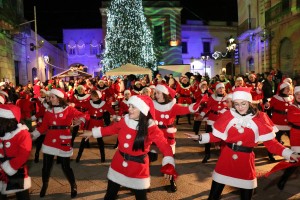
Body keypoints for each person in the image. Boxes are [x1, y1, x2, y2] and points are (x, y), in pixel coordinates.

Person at [185, 87, 300, 200]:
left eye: (243, 104)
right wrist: (200, 137)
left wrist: (289, 153)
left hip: (245, 162)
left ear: (249, 103)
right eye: (237, 104)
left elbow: (272, 144)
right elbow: (216, 136)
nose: (240, 107)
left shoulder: (260, 118)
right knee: (213, 196)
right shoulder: (228, 115)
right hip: (226, 159)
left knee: (246, 196)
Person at [80, 95, 177, 200]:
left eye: (133, 107)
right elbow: (111, 129)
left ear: (142, 110)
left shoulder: (151, 127)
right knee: (109, 196)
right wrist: (93, 132)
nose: (129, 109)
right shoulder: (125, 120)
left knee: (141, 198)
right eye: (129, 106)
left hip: (138, 168)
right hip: (118, 164)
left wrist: (168, 163)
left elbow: (165, 145)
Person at [31, 88, 88, 198]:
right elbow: (43, 127)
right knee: (46, 167)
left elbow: (84, 115)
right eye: (50, 97)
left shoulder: (69, 109)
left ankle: (73, 185)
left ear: (59, 99)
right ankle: (44, 185)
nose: (50, 99)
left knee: (66, 167)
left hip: (63, 140)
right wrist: (33, 135)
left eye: (52, 97)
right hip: (49, 141)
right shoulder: (48, 111)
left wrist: (80, 120)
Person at [153, 84, 200, 192]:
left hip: (168, 136)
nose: (155, 94)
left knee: (169, 159)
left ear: (165, 94)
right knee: (147, 158)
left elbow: (186, 109)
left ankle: (171, 181)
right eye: (155, 92)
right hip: (154, 135)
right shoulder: (152, 104)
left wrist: (196, 105)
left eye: (158, 93)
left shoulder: (172, 106)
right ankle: (141, 179)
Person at [0, 104, 32, 200]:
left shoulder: (22, 134)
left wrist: (9, 167)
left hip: (16, 169)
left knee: (22, 195)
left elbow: (24, 154)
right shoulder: (2, 131)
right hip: (1, 169)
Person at [76, 90, 116, 163]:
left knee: (100, 142)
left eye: (92, 95)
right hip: (90, 123)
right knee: (84, 141)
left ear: (97, 97)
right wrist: (72, 104)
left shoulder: (104, 104)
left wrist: (115, 116)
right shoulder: (89, 103)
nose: (91, 97)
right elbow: (80, 104)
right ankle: (78, 157)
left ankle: (103, 158)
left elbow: (111, 110)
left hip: (99, 124)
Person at [198, 82, 229, 163]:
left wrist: (225, 110)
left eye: (222, 88)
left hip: (222, 121)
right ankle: (207, 154)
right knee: (207, 137)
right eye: (219, 88)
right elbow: (207, 108)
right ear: (216, 89)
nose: (221, 89)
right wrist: (201, 115)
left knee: (223, 139)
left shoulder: (227, 98)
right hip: (212, 119)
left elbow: (231, 108)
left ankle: (223, 155)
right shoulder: (212, 97)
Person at [276, 86, 300, 190]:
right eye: (297, 94)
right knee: (295, 161)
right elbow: (292, 118)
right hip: (297, 135)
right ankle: (283, 179)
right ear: (294, 95)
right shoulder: (291, 106)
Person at [265, 82, 293, 161]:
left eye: (289, 88)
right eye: (287, 88)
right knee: (275, 140)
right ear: (282, 89)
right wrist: (267, 105)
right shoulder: (276, 97)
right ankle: (270, 155)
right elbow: (269, 105)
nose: (289, 90)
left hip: (288, 123)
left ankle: (294, 154)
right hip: (278, 122)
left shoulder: (292, 97)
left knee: (293, 140)